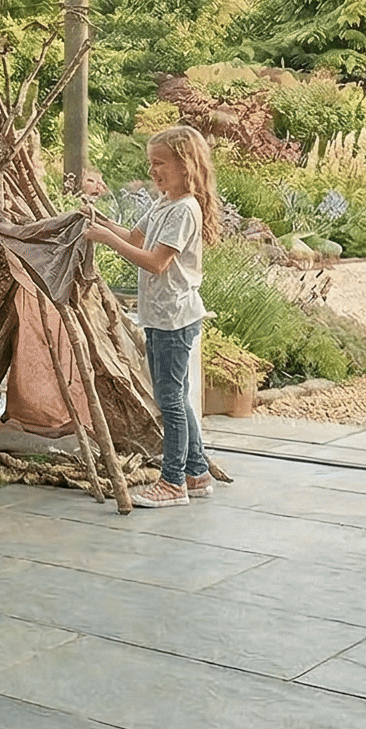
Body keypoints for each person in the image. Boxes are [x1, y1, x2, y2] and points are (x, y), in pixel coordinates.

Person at [87, 125, 220, 508]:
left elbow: (157, 262)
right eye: (151, 164)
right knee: (175, 397)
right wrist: (102, 223)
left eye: (160, 163)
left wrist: (106, 241)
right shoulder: (164, 202)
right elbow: (134, 236)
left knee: (170, 402)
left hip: (174, 318)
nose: (153, 172)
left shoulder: (184, 209)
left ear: (185, 164)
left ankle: (173, 482)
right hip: (161, 316)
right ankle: (196, 472)